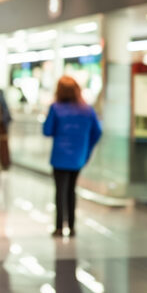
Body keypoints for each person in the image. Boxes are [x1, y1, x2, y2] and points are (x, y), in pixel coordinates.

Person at [43, 76, 102, 238]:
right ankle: (72, 226)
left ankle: (59, 227)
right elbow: (97, 131)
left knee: (60, 191)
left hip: (60, 157)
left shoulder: (55, 108)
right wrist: (87, 148)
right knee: (71, 190)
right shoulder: (87, 110)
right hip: (78, 157)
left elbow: (47, 131)